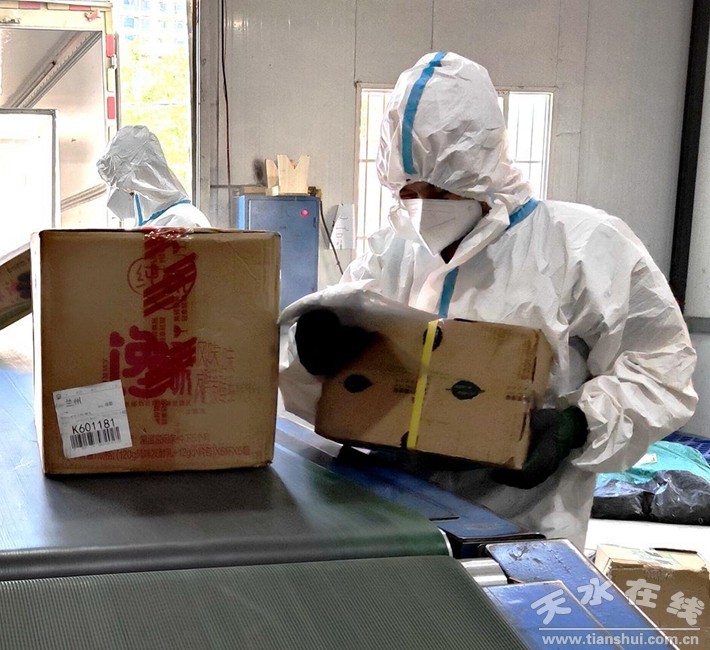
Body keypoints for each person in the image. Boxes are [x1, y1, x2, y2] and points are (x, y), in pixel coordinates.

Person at [285, 52, 697, 548]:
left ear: (482, 171)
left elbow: (661, 369)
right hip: (392, 517)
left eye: (440, 191)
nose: (421, 207)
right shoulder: (392, 250)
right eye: (407, 190)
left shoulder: (583, 246)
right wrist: (313, 353)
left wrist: (575, 425)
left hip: (522, 528)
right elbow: (315, 381)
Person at [97, 125, 210, 228]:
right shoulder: (156, 220)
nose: (114, 195)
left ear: (141, 183)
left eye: (126, 189)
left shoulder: (181, 220)